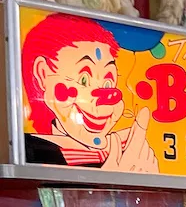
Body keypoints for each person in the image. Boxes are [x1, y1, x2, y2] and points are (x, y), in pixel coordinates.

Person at [21, 11, 159, 172]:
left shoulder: (129, 147)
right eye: (84, 80)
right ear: (43, 74)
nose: (104, 99)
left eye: (108, 83)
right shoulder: (32, 150)